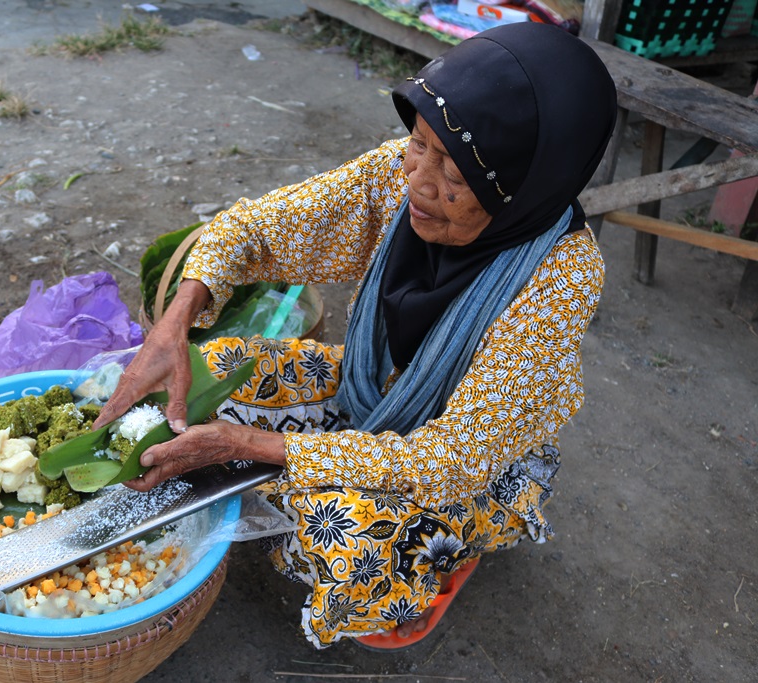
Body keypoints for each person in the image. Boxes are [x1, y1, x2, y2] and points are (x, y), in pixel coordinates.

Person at [94, 22, 617, 650]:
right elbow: (255, 229)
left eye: (454, 170)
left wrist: (250, 443)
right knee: (216, 368)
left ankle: (452, 551)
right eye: (419, 143)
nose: (420, 180)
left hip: (472, 462)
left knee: (346, 538)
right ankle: (286, 469)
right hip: (375, 389)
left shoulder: (561, 278)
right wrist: (176, 322)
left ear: (525, 185)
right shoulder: (403, 177)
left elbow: (444, 460)